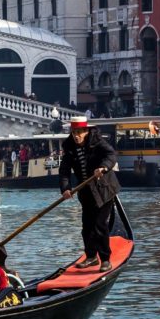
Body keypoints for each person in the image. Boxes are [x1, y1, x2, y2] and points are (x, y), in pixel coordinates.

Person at [59, 116, 120, 273]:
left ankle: (105, 259)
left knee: (100, 226)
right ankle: (91, 257)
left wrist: (103, 167)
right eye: (74, 133)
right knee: (87, 227)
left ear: (86, 131)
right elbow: (64, 170)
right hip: (86, 193)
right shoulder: (70, 147)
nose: (76, 136)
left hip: (104, 189)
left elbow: (111, 155)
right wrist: (66, 188)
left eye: (79, 132)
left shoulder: (97, 141)